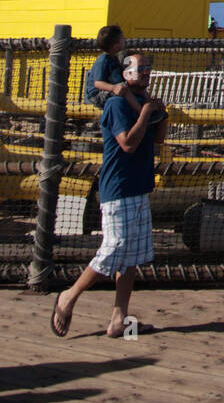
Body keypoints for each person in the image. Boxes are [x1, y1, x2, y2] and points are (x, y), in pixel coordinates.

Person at [50, 53, 168, 339]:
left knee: (131, 256)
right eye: (140, 69)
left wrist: (161, 114)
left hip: (139, 186)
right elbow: (127, 143)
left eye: (148, 68)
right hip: (118, 189)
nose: (145, 72)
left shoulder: (141, 103)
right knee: (114, 248)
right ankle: (69, 295)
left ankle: (119, 317)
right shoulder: (117, 105)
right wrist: (144, 113)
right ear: (125, 74)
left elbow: (158, 140)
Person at [84, 24, 163, 119]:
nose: (124, 41)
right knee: (125, 90)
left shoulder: (114, 58)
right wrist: (113, 88)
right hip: (98, 95)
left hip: (110, 89)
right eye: (122, 39)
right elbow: (97, 83)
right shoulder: (103, 60)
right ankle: (143, 114)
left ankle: (150, 104)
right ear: (116, 46)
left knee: (137, 87)